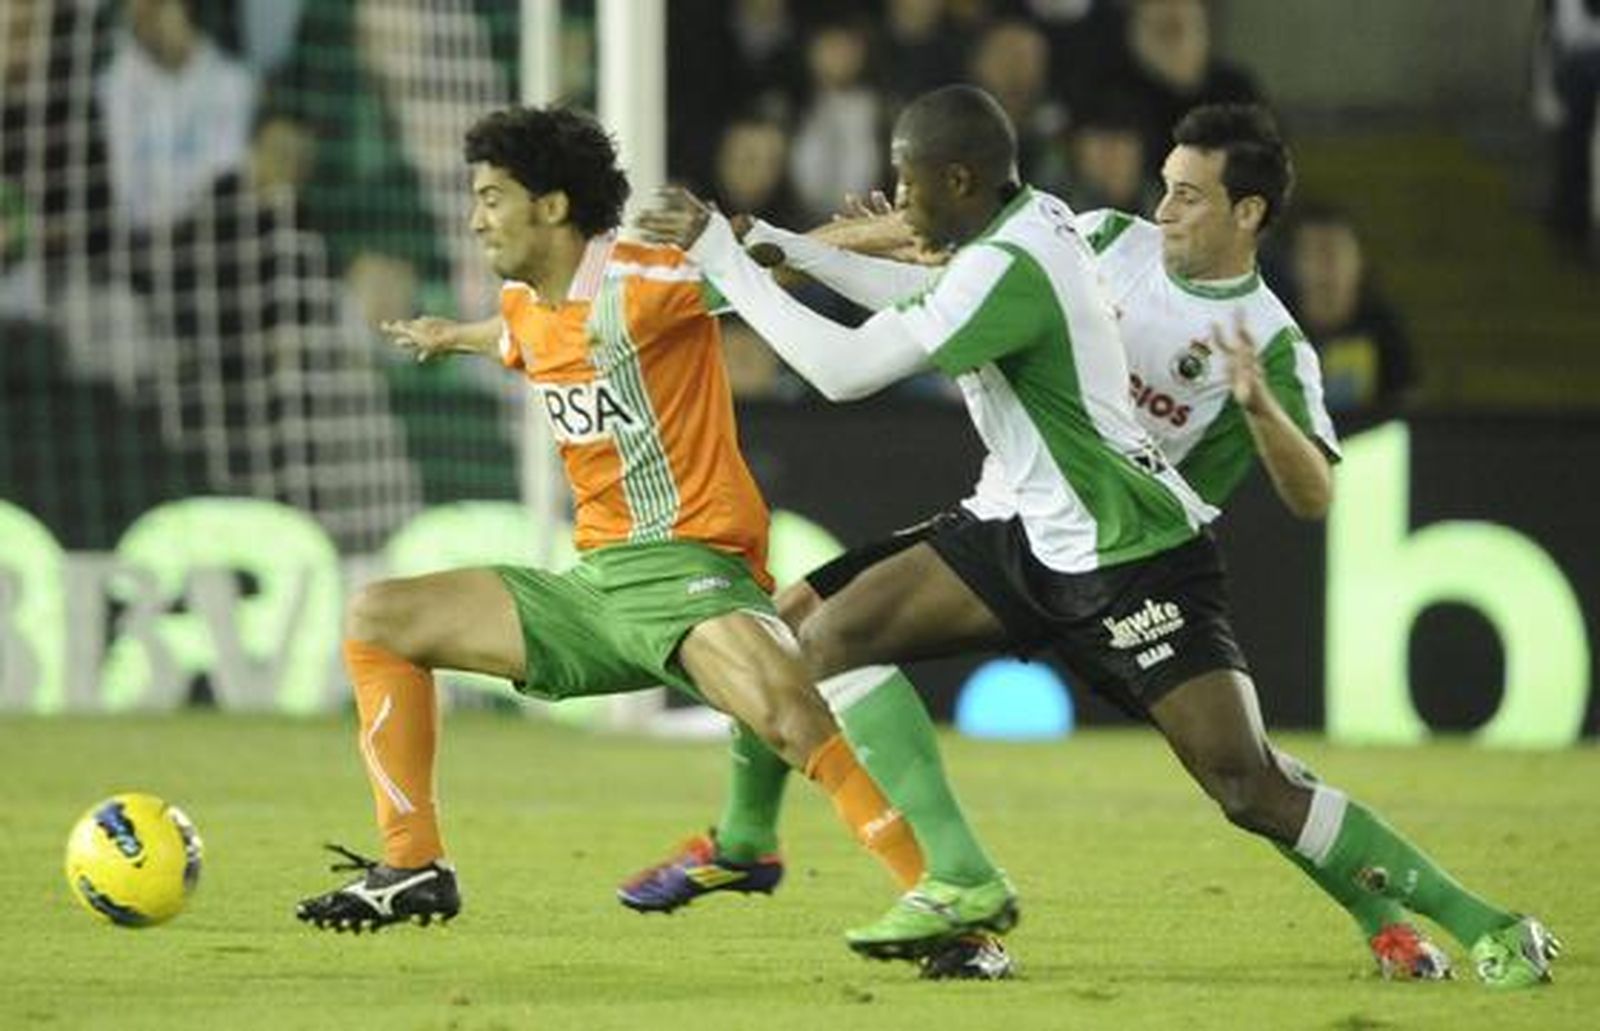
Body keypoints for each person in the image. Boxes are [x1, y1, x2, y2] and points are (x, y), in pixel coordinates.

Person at [636, 86, 1561, 989]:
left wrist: (1261, 409)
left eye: (1188, 195)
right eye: (1163, 183)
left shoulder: (1270, 340)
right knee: (817, 630)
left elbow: (1316, 491)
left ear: (1249, 211)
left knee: (1247, 784)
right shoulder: (1102, 238)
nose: (1162, 208)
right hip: (1023, 524)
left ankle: (1458, 918)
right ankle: (901, 875)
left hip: (1133, 554)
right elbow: (937, 282)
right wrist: (778, 249)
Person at [293, 106, 1017, 958]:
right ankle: (413, 863)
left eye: (492, 198)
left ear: (553, 208)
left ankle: (948, 913)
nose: (474, 217)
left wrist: (891, 232)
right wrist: (453, 336)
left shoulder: (639, 279)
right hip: (595, 591)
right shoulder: (527, 300)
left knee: (791, 713)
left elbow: (756, 265)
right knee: (379, 616)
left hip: (692, 571)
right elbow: (519, 336)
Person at [1285, 203, 1414, 424]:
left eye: (1337, 252)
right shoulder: (1272, 327)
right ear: (1296, 265)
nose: (1327, 267)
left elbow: (1406, 404)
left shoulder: (1383, 327)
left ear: (1359, 261)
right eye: (1316, 253)